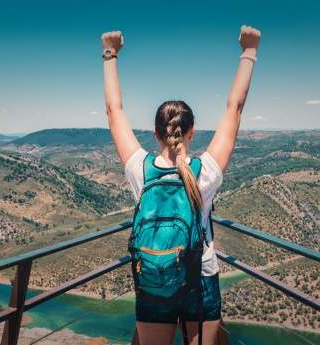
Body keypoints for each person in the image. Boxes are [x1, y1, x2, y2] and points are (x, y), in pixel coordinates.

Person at [101, 25, 261, 345]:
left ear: (156, 133)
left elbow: (113, 110)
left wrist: (110, 52)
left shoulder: (140, 169)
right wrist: (249, 51)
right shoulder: (206, 172)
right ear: (192, 132)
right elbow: (235, 108)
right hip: (200, 279)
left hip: (153, 282)